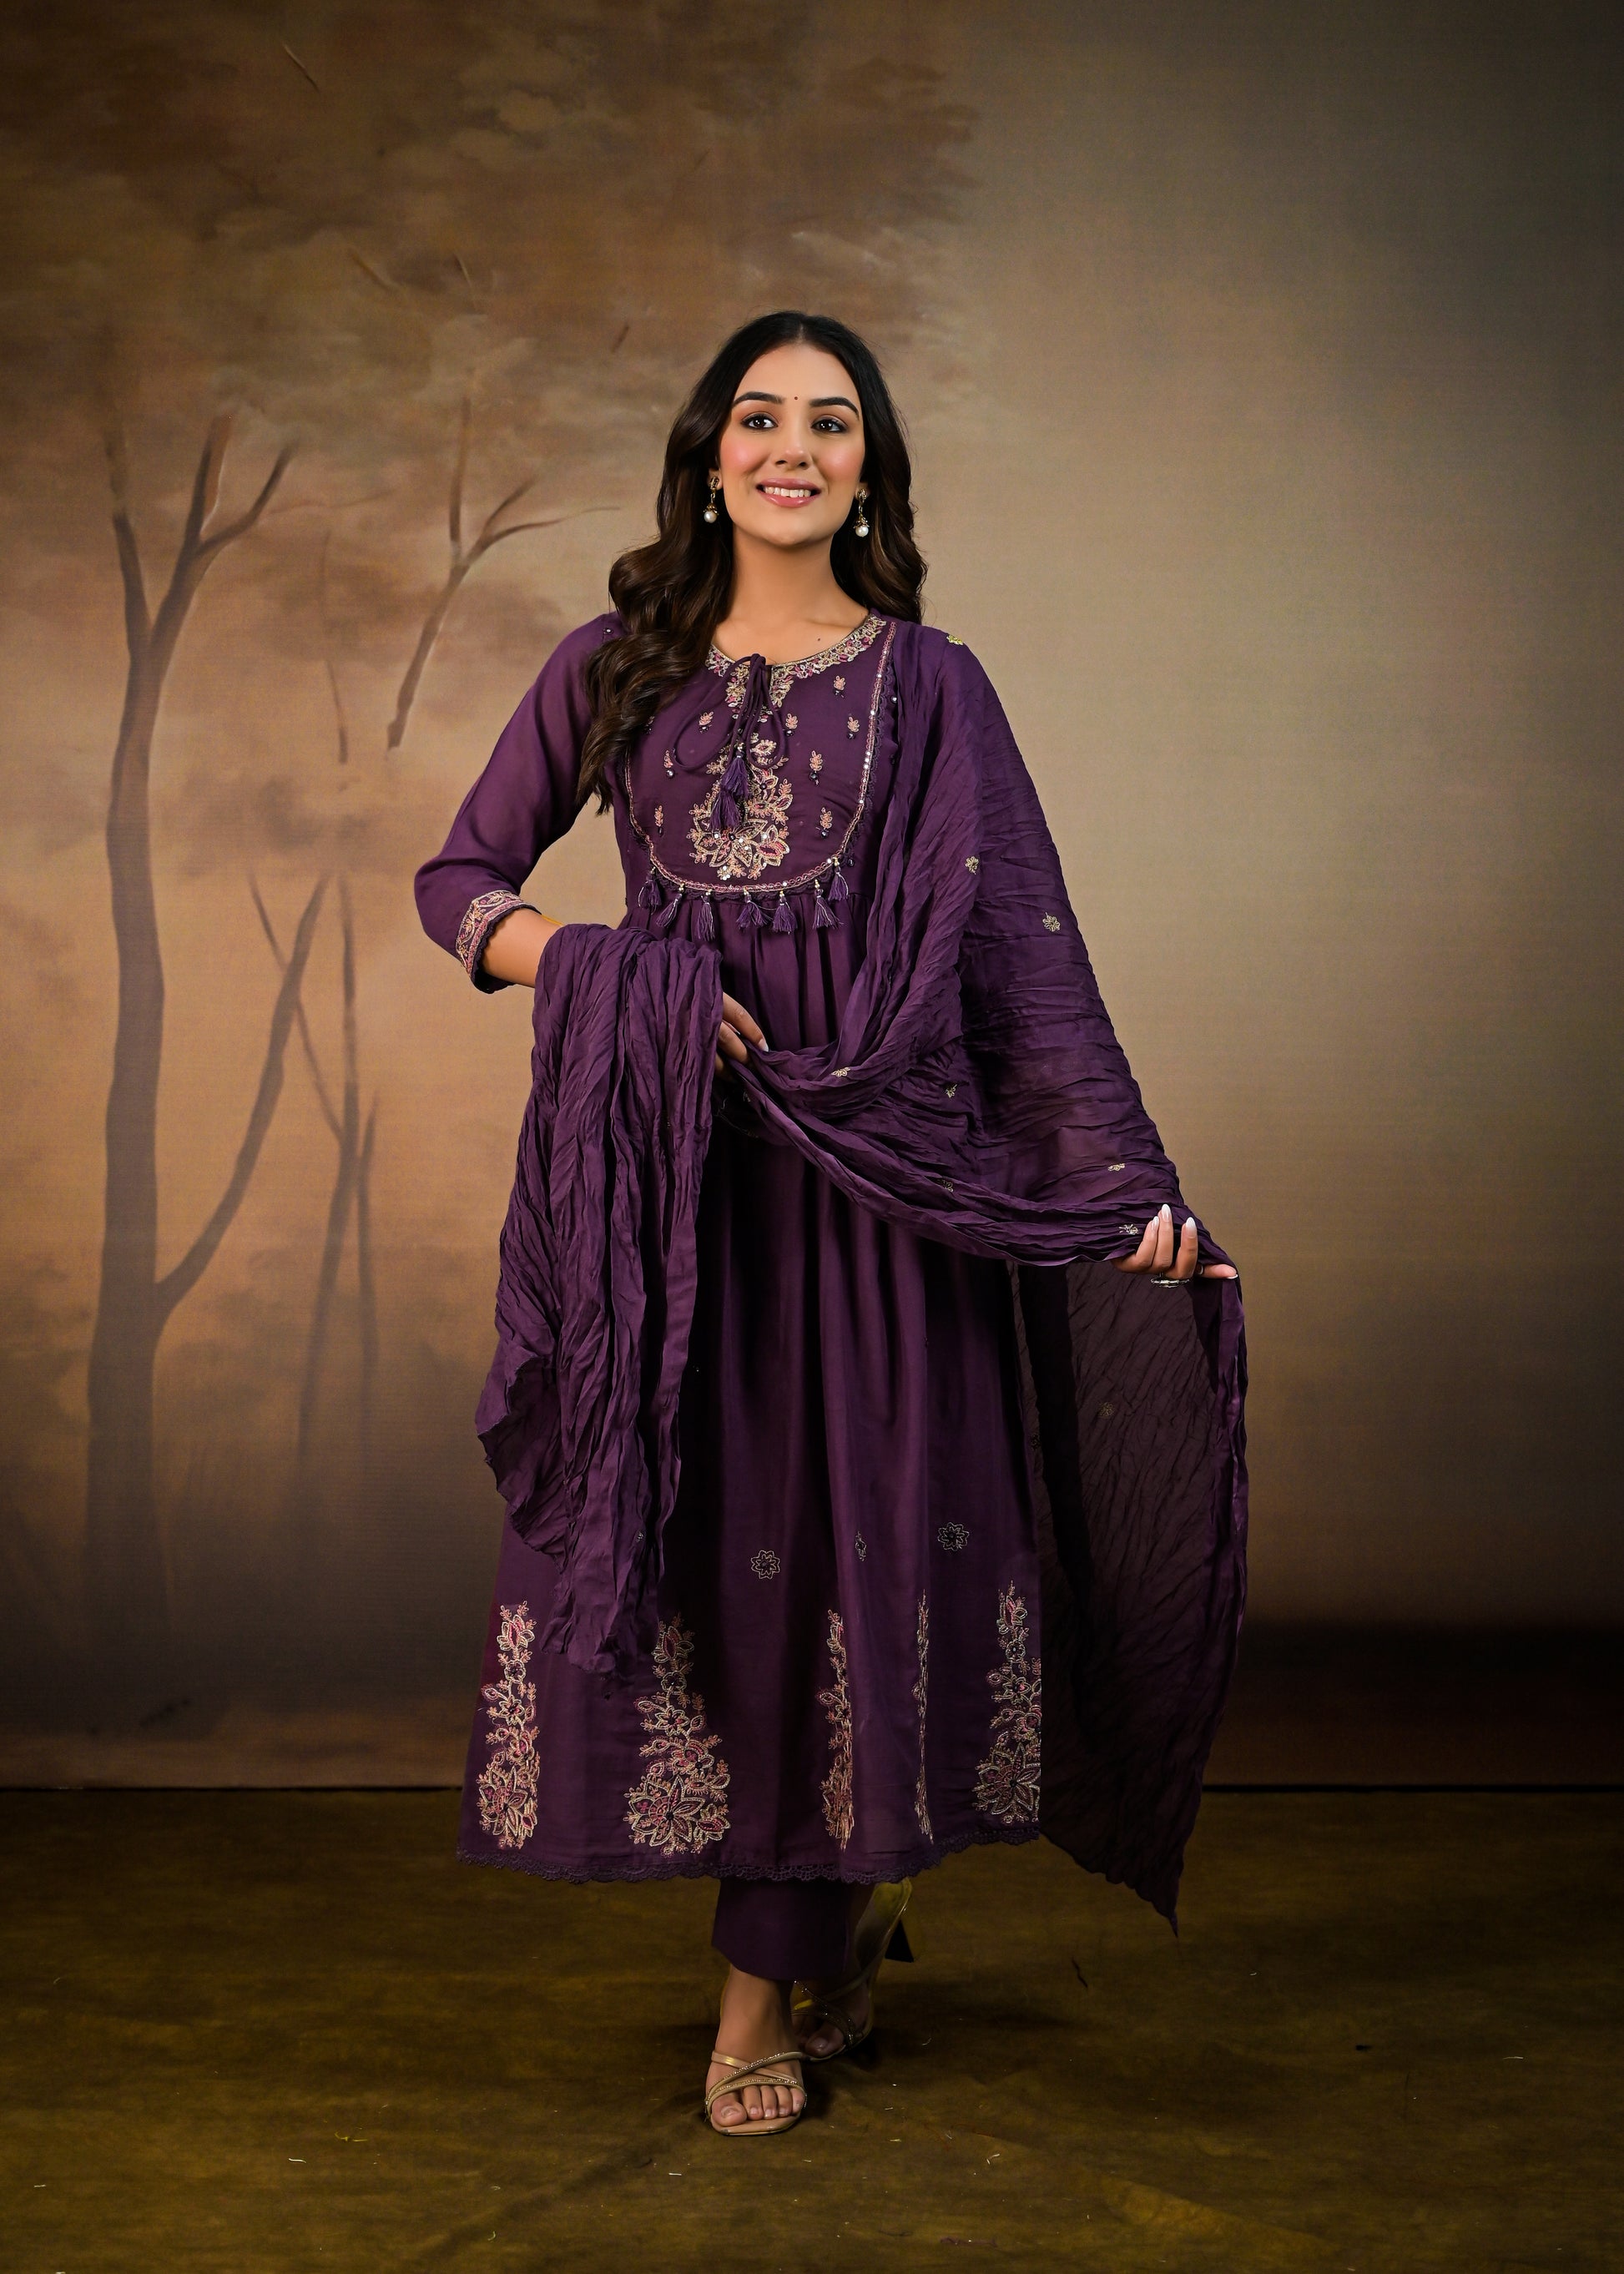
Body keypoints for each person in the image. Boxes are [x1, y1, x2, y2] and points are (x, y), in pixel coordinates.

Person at [415, 310, 1244, 2140]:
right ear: (709, 456)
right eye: (759, 416)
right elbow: (458, 880)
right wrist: (599, 965)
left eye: (832, 422)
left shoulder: (934, 688)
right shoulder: (611, 667)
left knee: (854, 1570)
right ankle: (841, 1920)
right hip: (672, 1212)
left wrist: (1121, 1196)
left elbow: (1027, 970)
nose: (791, 446)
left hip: (886, 1205)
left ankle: (756, 1994)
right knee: (726, 1568)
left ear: (868, 473)